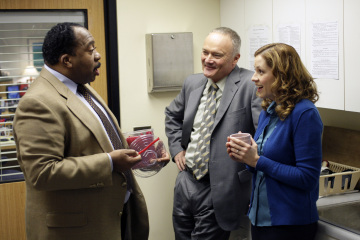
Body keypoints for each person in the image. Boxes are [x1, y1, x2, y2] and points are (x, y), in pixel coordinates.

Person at [13, 22, 165, 240]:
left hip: (112, 218)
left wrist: (140, 151)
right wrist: (110, 162)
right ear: (67, 60)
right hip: (77, 229)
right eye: (91, 49)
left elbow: (93, 140)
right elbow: (42, 172)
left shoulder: (81, 87)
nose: (98, 54)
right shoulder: (38, 102)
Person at [165, 27, 262, 240]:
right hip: (186, 182)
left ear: (235, 59)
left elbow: (262, 135)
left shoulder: (250, 85)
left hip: (221, 187)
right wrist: (176, 150)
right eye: (205, 52)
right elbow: (172, 115)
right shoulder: (193, 82)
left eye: (217, 55)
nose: (208, 59)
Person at [226, 43, 323, 240]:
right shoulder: (269, 110)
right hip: (260, 219)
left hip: (289, 226)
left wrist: (256, 161)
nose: (254, 78)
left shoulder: (305, 114)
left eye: (261, 71)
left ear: (282, 75)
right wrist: (246, 156)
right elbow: (263, 167)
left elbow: (307, 178)